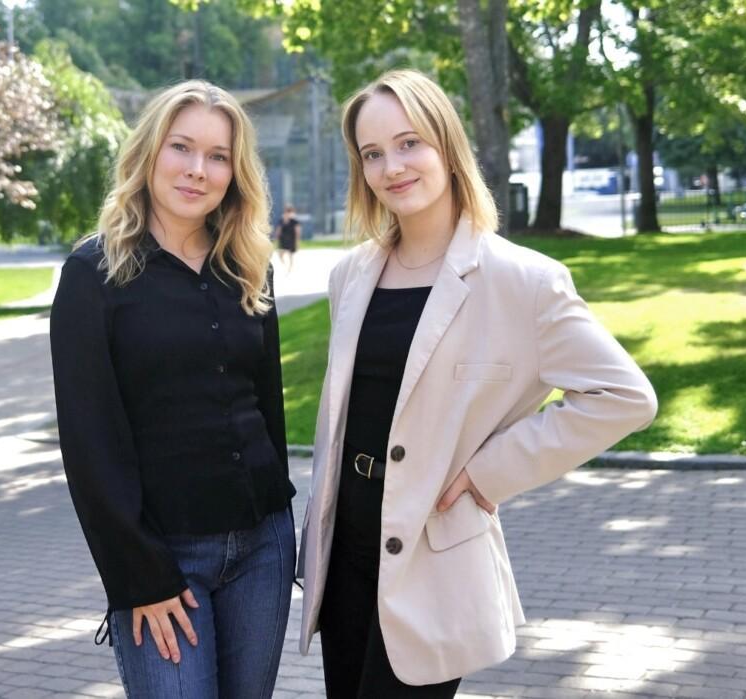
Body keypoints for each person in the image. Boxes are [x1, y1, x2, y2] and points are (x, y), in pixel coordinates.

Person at [296, 69, 658, 697]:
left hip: (432, 557)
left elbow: (625, 397)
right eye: (373, 153)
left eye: (409, 143)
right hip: (346, 546)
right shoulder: (351, 275)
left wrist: (489, 472)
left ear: (446, 144)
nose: (392, 167)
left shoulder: (524, 281)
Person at [49, 80, 296, 699]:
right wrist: (138, 575)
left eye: (217, 156)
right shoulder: (93, 275)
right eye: (181, 147)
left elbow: (269, 407)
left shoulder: (247, 266)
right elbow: (89, 444)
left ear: (234, 174)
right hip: (162, 557)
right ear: (149, 153)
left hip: (263, 548)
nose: (197, 170)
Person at [275, 205, 301, 273]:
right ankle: (285, 266)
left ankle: (289, 269)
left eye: (289, 212)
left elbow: (297, 232)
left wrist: (297, 243)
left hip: (291, 240)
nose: (288, 213)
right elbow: (278, 230)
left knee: (290, 255)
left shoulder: (294, 221)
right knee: (280, 254)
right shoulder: (282, 220)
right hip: (283, 240)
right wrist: (277, 238)